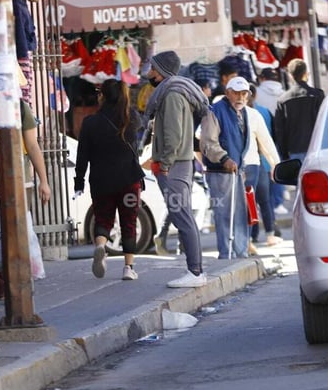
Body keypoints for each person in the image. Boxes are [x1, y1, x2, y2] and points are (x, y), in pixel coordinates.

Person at [0, 63, 51, 301]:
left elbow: (33, 145)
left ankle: (11, 278)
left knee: (16, 229)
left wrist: (43, 181)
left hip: (14, 178)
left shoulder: (19, 107)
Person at [144, 50, 210, 287]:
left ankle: (195, 272)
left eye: (153, 68)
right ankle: (195, 270)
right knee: (183, 216)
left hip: (174, 165)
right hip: (180, 163)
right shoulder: (176, 90)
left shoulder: (171, 94)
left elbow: (173, 134)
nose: (149, 73)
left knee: (182, 217)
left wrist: (165, 163)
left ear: (162, 71)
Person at [74, 79, 144, 280]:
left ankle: (101, 246)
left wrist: (79, 182)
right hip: (129, 181)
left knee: (103, 218)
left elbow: (82, 155)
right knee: (128, 222)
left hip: (101, 181)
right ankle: (128, 268)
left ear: (102, 96)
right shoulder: (131, 120)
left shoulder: (90, 123)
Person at [201, 76, 257, 258]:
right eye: (236, 93)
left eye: (244, 94)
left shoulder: (244, 112)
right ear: (227, 93)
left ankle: (240, 251)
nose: (240, 97)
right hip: (220, 170)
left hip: (236, 170)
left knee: (240, 212)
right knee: (224, 213)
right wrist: (224, 158)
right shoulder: (215, 111)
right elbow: (208, 143)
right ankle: (226, 253)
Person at [246, 84, 282, 248]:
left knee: (250, 200)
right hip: (262, 162)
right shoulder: (263, 112)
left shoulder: (240, 114)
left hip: (249, 162)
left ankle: (252, 236)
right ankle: (270, 234)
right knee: (264, 201)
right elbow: (271, 138)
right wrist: (274, 162)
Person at [274, 59, 325, 162]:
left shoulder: (283, 100)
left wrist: (283, 154)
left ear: (290, 75)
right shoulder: (318, 95)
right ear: (306, 73)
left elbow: (279, 130)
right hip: (317, 146)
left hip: (294, 150)